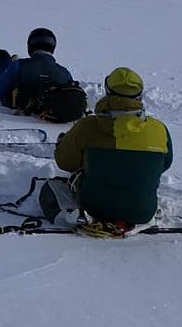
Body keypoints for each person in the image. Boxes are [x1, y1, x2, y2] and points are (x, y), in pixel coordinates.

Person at [50, 67, 173, 227]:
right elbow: (165, 163)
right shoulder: (159, 129)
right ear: (140, 95)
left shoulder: (87, 126)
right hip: (142, 212)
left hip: (94, 209)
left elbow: (65, 162)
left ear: (107, 91)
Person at [0, 27, 82, 119]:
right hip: (50, 110)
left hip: (18, 108)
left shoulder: (19, 65)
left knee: (1, 54)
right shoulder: (65, 72)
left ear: (30, 45)